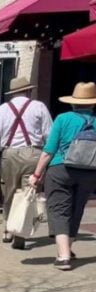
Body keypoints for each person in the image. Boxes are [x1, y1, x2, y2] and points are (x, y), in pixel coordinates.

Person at [29, 82, 96, 271]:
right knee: (77, 209)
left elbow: (48, 151)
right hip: (90, 173)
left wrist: (37, 173)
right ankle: (67, 248)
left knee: (59, 210)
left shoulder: (63, 119)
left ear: (74, 102)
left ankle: (64, 256)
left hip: (61, 169)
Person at [0, 76, 53, 248]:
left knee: (10, 192)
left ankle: (7, 228)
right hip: (33, 153)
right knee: (28, 193)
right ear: (29, 90)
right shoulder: (39, 107)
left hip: (10, 154)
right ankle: (21, 232)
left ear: (12, 94)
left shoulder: (3, 109)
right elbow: (49, 136)